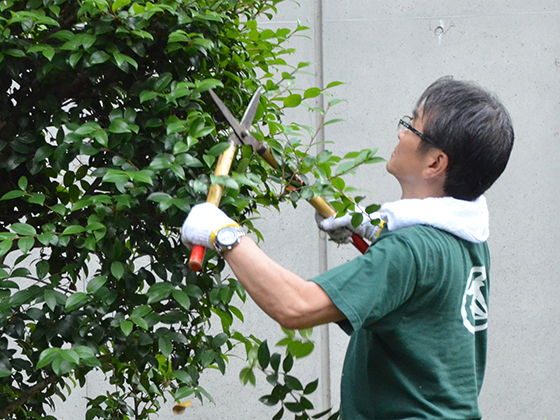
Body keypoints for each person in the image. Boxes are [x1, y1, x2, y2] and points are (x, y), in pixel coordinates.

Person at [181, 77, 514, 420]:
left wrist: (225, 235)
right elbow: (416, 302)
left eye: (411, 127)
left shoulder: (409, 250)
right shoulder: (469, 240)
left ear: (434, 163)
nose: (401, 134)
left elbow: (296, 306)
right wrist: (380, 227)